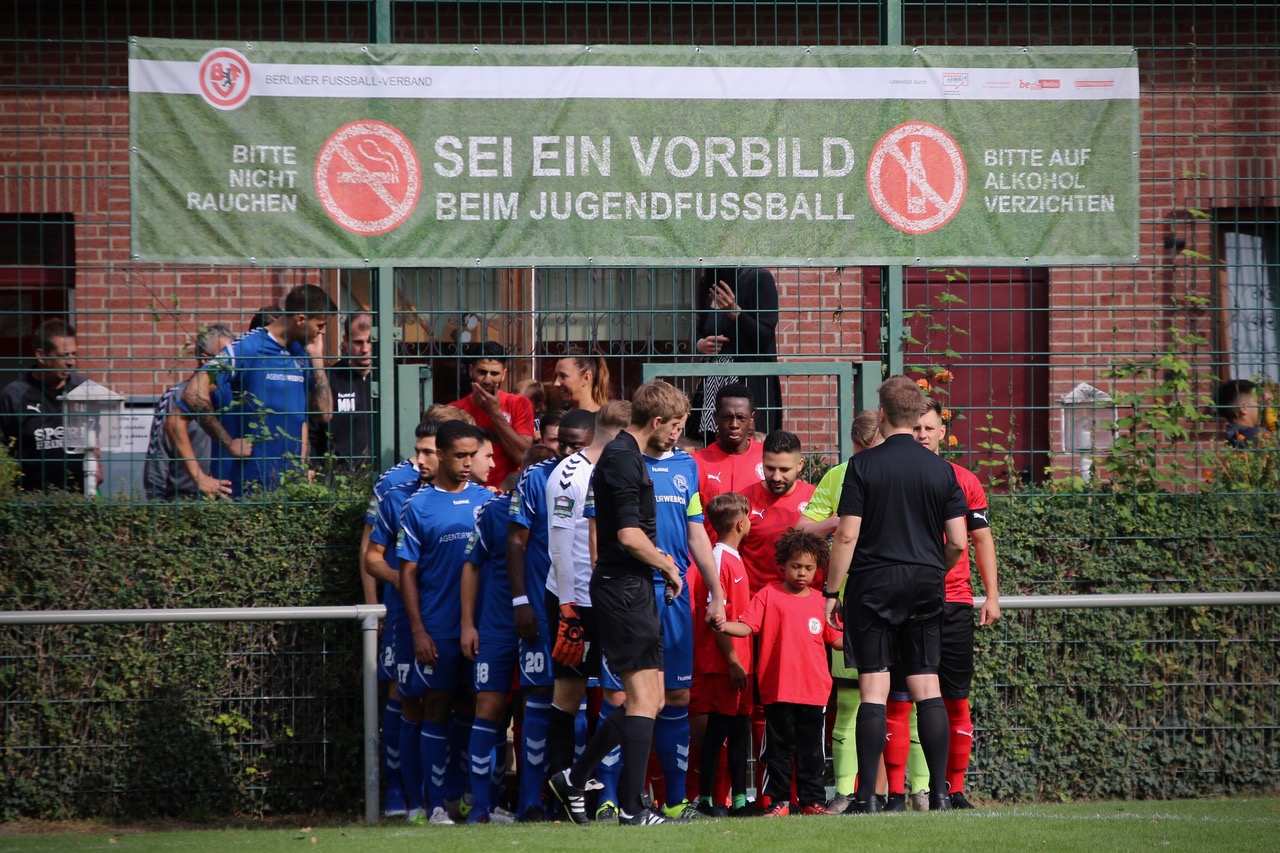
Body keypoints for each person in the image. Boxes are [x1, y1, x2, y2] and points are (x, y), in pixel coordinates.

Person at [548, 380, 724, 827]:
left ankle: (576, 778)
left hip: (633, 588)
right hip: (624, 588)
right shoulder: (624, 458)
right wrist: (667, 565)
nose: (678, 437)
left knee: (652, 698)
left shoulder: (634, 456)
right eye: (676, 426)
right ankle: (630, 808)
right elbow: (626, 535)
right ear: (659, 421)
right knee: (643, 699)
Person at [823, 376, 969, 814]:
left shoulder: (862, 467)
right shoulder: (942, 470)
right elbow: (959, 542)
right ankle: (941, 795)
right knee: (927, 684)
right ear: (917, 415)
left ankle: (867, 796)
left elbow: (847, 535)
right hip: (926, 582)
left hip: (872, 584)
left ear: (882, 415)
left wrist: (833, 591)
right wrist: (931, 569)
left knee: (873, 688)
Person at [892, 397, 1000, 811]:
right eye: (915, 427)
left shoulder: (964, 480)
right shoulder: (893, 473)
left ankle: (953, 791)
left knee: (955, 698)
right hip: (904, 599)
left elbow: (980, 540)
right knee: (898, 698)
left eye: (929, 428)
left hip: (953, 601)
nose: (921, 434)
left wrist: (990, 595)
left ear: (942, 432)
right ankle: (895, 794)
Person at [396, 419, 494, 826]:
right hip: (437, 627)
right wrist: (418, 630)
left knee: (482, 708)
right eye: (460, 455)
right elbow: (407, 574)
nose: (469, 463)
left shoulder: (486, 500)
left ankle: (476, 801)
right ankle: (433, 804)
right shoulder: (417, 506)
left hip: (484, 628)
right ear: (439, 454)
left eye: (473, 455)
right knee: (434, 707)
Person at [796, 409, 889, 808]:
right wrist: (841, 521)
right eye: (862, 453)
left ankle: (899, 791)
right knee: (854, 700)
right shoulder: (838, 477)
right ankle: (853, 792)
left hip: (886, 597)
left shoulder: (899, 471)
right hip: (855, 600)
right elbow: (801, 528)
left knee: (901, 699)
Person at [542, 402, 631, 821]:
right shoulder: (568, 473)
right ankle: (564, 797)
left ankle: (609, 796)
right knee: (569, 695)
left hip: (612, 598)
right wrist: (567, 605)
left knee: (619, 695)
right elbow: (558, 540)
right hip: (574, 600)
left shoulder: (622, 465)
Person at [505, 409, 595, 821]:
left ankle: (582, 797)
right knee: (541, 697)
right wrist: (521, 601)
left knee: (590, 699)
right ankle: (532, 799)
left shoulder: (600, 471)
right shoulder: (535, 476)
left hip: (594, 604)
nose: (569, 451)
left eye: (577, 444)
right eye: (563, 442)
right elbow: (517, 541)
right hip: (549, 605)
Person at [716, 528, 843, 816]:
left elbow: (836, 641)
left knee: (812, 752)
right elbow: (746, 627)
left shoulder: (821, 602)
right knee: (778, 751)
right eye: (796, 566)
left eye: (809, 568)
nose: (802, 573)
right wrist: (723, 625)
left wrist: (868, 634)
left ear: (817, 569)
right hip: (778, 690)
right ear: (783, 564)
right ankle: (779, 802)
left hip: (815, 692)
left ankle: (812, 802)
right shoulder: (767, 595)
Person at [182, 285, 337, 498]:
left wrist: (317, 358)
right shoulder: (247, 347)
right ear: (300, 319)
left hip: (290, 488)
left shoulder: (301, 353)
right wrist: (227, 442)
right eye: (320, 324)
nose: (323, 332)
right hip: (246, 487)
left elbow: (325, 413)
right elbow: (193, 392)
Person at [364, 420, 444, 823]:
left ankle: (449, 796)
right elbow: (371, 556)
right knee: (404, 696)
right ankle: (400, 793)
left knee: (450, 702)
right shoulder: (396, 495)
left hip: (451, 619)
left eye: (428, 451)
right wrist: (402, 580)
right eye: (419, 450)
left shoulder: (476, 496)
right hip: (404, 617)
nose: (419, 459)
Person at [690, 492, 754, 818]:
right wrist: (731, 661)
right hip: (723, 665)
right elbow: (715, 619)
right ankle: (707, 800)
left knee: (740, 731)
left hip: (741, 663)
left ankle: (740, 801)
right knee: (716, 733)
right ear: (741, 522)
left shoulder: (733, 556)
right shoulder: (718, 560)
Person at [142, 324, 236, 500]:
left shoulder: (237, 397)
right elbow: (158, 456)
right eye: (224, 358)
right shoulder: (176, 397)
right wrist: (157, 507)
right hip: (186, 501)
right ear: (205, 360)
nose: (232, 364)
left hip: (230, 497)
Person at [0, 318, 89, 492]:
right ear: (41, 355)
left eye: (73, 354)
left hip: (77, 503)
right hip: (29, 501)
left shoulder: (83, 390)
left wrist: (97, 464)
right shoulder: (14, 396)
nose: (71, 362)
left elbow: (96, 437)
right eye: (63, 355)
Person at [694, 268, 781, 440]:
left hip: (748, 380)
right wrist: (700, 344)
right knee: (711, 442)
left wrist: (736, 314)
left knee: (748, 442)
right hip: (713, 380)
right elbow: (701, 329)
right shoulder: (708, 281)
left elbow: (765, 336)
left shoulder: (758, 278)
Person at [738, 430, 817, 594]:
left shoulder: (816, 499)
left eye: (784, 469)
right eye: (770, 468)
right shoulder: (744, 501)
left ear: (800, 464)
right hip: (758, 604)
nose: (776, 477)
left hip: (806, 604)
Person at [449, 342, 535, 488]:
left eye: (494, 373)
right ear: (471, 371)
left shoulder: (520, 404)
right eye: (482, 372)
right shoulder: (454, 409)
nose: (488, 380)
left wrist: (495, 414)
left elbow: (522, 456)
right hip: (467, 492)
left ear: (504, 374)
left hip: (506, 492)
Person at [693, 383, 765, 539]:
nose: (734, 425)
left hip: (757, 560)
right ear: (715, 417)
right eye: (727, 417)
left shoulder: (767, 458)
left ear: (752, 418)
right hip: (713, 559)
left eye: (741, 418)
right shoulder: (697, 462)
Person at [310, 312, 374, 471]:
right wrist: (311, 467)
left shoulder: (391, 378)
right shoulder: (330, 379)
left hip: (385, 475)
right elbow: (314, 431)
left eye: (370, 341)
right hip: (340, 479)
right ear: (346, 341)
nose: (365, 349)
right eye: (358, 342)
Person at [1214, 379, 1264, 448]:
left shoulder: (1230, 437)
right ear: (1244, 408)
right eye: (1258, 402)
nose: (1262, 407)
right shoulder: (1259, 436)